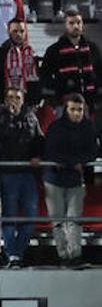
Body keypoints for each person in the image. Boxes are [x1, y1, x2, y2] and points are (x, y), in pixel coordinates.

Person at [42, 93, 99, 268]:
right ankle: (63, 256)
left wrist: (76, 163)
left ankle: (75, 255)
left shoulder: (89, 128)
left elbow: (93, 152)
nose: (76, 113)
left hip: (75, 180)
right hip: (54, 180)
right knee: (58, 221)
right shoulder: (56, 128)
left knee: (74, 219)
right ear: (66, 109)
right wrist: (73, 163)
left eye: (80, 110)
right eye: (73, 109)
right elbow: (51, 153)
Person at [0, 86, 42, 268]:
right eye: (11, 97)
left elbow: (39, 140)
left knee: (30, 217)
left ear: (23, 99)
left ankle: (17, 252)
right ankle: (13, 255)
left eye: (18, 97)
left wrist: (37, 156)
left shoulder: (31, 117)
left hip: (27, 173)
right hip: (8, 174)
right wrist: (10, 116)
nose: (14, 100)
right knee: (9, 216)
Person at [40, 9, 102, 110]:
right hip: (64, 104)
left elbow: (100, 73)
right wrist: (60, 89)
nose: (76, 26)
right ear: (65, 25)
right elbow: (44, 76)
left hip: (90, 103)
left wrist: (97, 98)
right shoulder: (54, 50)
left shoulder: (93, 48)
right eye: (71, 23)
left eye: (78, 22)